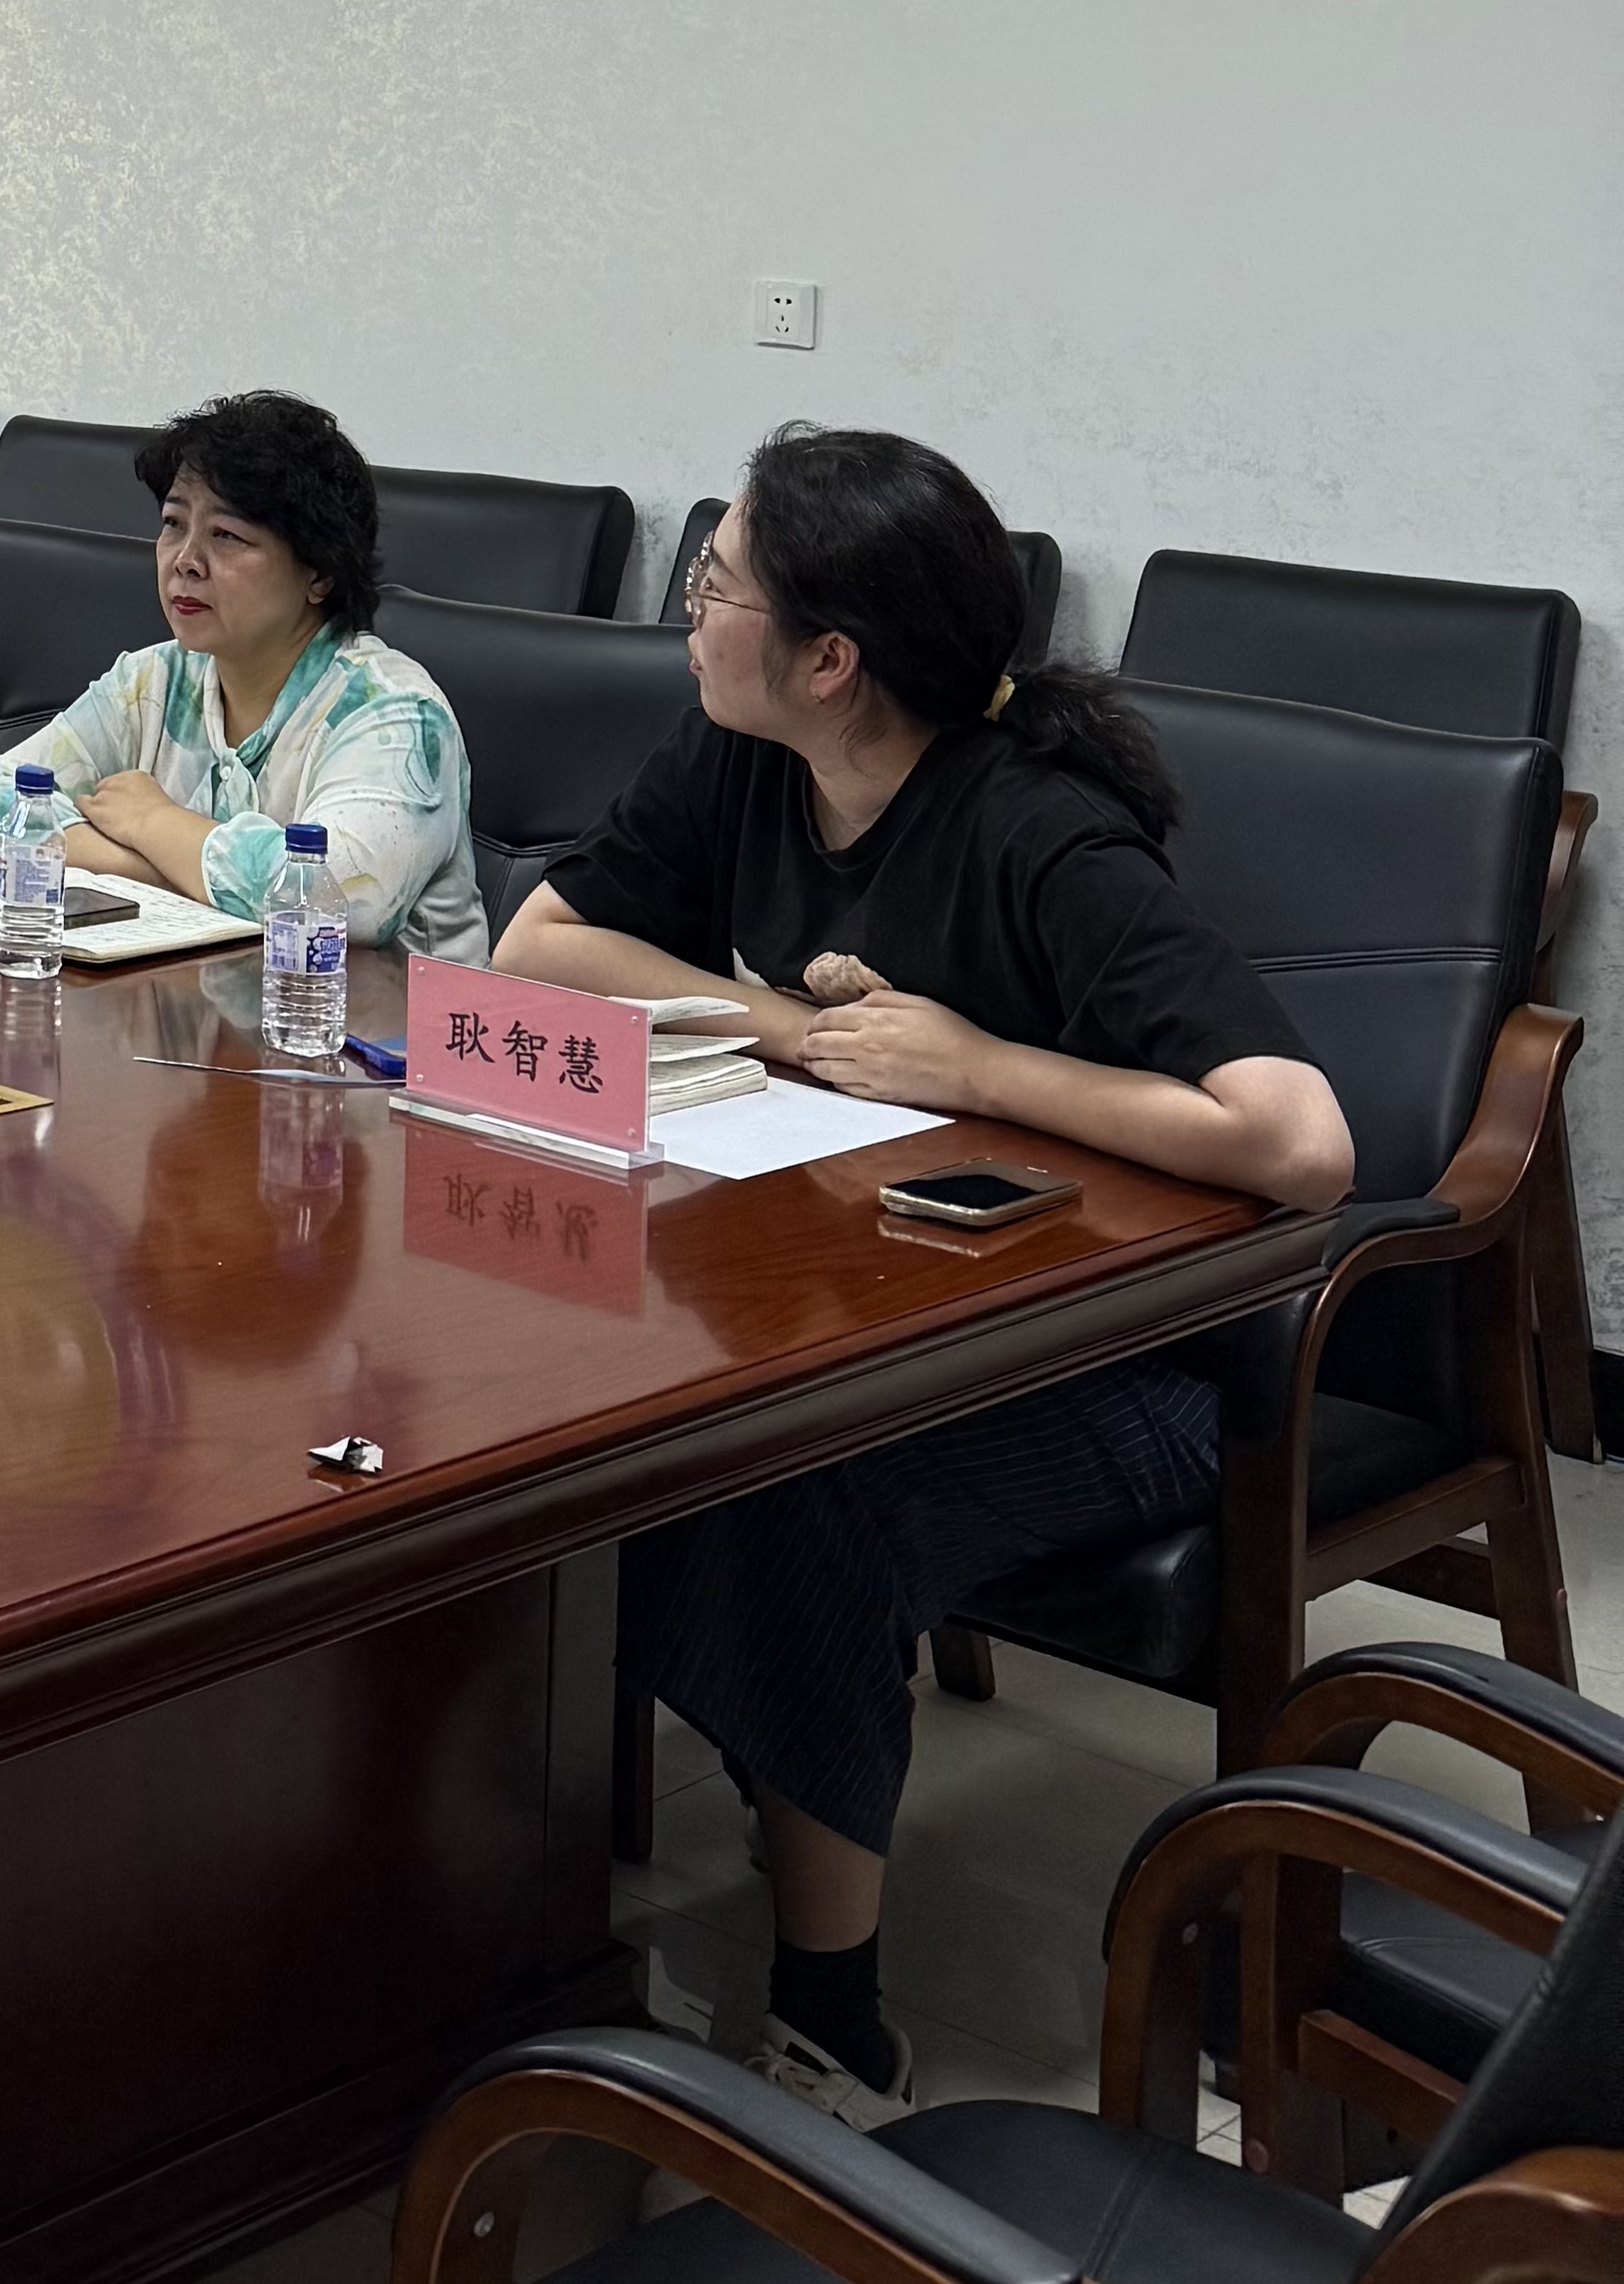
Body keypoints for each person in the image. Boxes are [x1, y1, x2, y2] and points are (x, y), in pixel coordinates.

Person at [498, 424, 1352, 2128]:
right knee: (599, 1438)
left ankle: (835, 2030)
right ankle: (539, 1910)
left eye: (717, 580)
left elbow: (1300, 1137)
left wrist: (975, 1066)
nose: (686, 606)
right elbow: (541, 947)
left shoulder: (1035, 829)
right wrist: (789, 1024)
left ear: (830, 659)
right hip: (891, 1299)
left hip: (1131, 1364)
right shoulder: (740, 754)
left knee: (789, 1497)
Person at [0, 393, 488, 960]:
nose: (185, 559)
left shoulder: (392, 712)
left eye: (226, 535)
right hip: (204, 1000)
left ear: (320, 574)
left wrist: (155, 823)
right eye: (173, 524)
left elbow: (340, 898)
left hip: (371, 1014)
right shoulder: (151, 681)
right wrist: (152, 869)